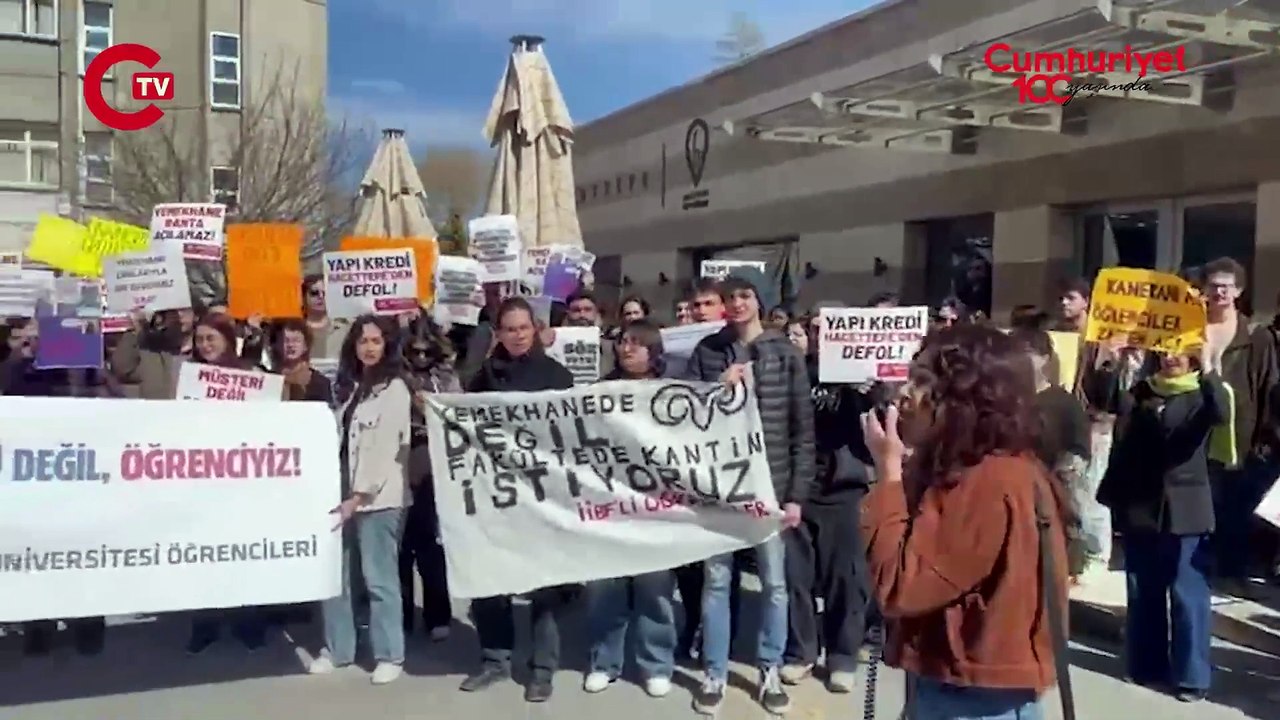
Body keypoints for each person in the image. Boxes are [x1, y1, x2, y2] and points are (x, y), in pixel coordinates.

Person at [860, 324, 1071, 719]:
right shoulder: (993, 467)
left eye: (922, 381)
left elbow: (898, 585)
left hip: (971, 699)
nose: (905, 394)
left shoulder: (988, 482)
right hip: (963, 686)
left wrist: (887, 472)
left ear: (964, 398)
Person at [688, 274, 814, 716]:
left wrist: (796, 495)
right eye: (730, 298)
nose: (738, 304)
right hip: (722, 490)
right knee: (717, 583)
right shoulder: (707, 352)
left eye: (745, 296)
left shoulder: (785, 354)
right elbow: (686, 418)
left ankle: (770, 668)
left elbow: (803, 430)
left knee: (775, 584)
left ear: (759, 302)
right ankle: (715, 672)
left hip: (771, 487)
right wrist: (715, 389)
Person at [459, 297, 578, 703]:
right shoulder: (483, 376)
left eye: (523, 328)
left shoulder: (556, 375)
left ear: (535, 328)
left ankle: (542, 669)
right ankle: (495, 660)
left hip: (541, 494)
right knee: (491, 579)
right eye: (508, 329)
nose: (517, 335)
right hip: (495, 493)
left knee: (543, 585)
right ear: (499, 333)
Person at [1098, 344, 1227, 703]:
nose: (1170, 358)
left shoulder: (1200, 391)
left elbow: (1220, 414)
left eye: (1179, 352)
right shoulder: (1144, 389)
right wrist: (1118, 363)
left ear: (1192, 357)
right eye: (1165, 351)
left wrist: (1211, 367)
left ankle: (1192, 677)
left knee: (1188, 594)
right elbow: (1110, 402)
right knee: (1143, 589)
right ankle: (1146, 665)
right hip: (1142, 504)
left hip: (1186, 507)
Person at [780, 307, 879, 694]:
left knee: (846, 577)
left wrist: (868, 396)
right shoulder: (797, 373)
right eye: (817, 330)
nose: (824, 336)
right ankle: (802, 652)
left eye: (831, 330)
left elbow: (879, 433)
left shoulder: (865, 380)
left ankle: (842, 656)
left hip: (844, 487)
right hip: (799, 488)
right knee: (797, 576)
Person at [308, 315, 411, 685]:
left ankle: (389, 654)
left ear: (387, 345)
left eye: (376, 340)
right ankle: (339, 649)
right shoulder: (354, 388)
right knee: (337, 576)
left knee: (378, 579)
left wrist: (359, 496)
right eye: (362, 340)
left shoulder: (395, 388)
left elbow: (384, 450)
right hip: (341, 494)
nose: (368, 347)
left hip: (379, 500)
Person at [582, 320, 680, 699]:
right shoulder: (598, 391)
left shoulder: (670, 392)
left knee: (655, 590)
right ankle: (603, 662)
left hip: (656, 507)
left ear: (653, 351)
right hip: (608, 504)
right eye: (623, 341)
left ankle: (656, 664)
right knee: (605, 589)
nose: (627, 349)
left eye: (636, 344)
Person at [1, 323, 109, 657]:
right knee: (35, 555)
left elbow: (113, 405)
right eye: (31, 336)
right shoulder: (16, 370)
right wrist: (22, 360)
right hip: (32, 480)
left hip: (79, 476)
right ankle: (39, 626)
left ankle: (88, 625)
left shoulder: (84, 369)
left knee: (82, 554)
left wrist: (91, 369)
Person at [183, 312, 271, 654]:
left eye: (211, 338)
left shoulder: (248, 374)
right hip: (203, 479)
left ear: (226, 339)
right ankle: (204, 624)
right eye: (200, 339)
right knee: (204, 555)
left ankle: (249, 623)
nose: (205, 345)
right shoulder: (190, 376)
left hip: (242, 478)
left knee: (243, 553)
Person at [1197, 257, 1279, 592]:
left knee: (1234, 509)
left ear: (1239, 291)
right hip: (1198, 433)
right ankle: (1201, 568)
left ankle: (1231, 573)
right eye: (1214, 285)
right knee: (1202, 504)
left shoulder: (1256, 337)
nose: (1219, 292)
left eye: (1226, 286)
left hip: (1242, 438)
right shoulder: (1190, 330)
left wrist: (1263, 436)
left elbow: (1268, 387)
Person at [1014, 328, 1092, 580]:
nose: (1022, 361)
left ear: (1045, 358)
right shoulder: (1004, 399)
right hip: (1013, 489)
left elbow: (1079, 446)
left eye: (1029, 354)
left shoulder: (1064, 401)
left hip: (1052, 491)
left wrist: (1064, 473)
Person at [400, 315, 460, 641]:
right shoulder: (394, 376)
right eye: (415, 352)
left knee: (429, 543)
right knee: (400, 546)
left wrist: (428, 410)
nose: (421, 358)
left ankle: (439, 614)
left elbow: (457, 416)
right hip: (396, 458)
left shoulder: (446, 379)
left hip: (431, 460)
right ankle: (402, 614)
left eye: (427, 352)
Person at [111, 307, 197, 399]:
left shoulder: (205, 353)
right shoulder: (149, 350)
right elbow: (121, 370)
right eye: (173, 311)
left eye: (184, 310)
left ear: (196, 314)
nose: (179, 315)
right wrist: (136, 329)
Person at [269, 319, 333, 404]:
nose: (291, 345)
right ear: (275, 345)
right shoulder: (268, 380)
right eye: (285, 341)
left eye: (296, 340)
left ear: (305, 346)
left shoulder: (320, 383)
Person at [563, 289, 618, 377]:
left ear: (596, 313)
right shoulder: (554, 342)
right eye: (576, 310)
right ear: (568, 314)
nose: (582, 315)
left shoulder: (612, 348)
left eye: (587, 310)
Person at [301, 274, 349, 359]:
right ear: (303, 297)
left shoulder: (345, 328)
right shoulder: (295, 329)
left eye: (325, 293)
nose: (321, 297)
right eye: (314, 293)